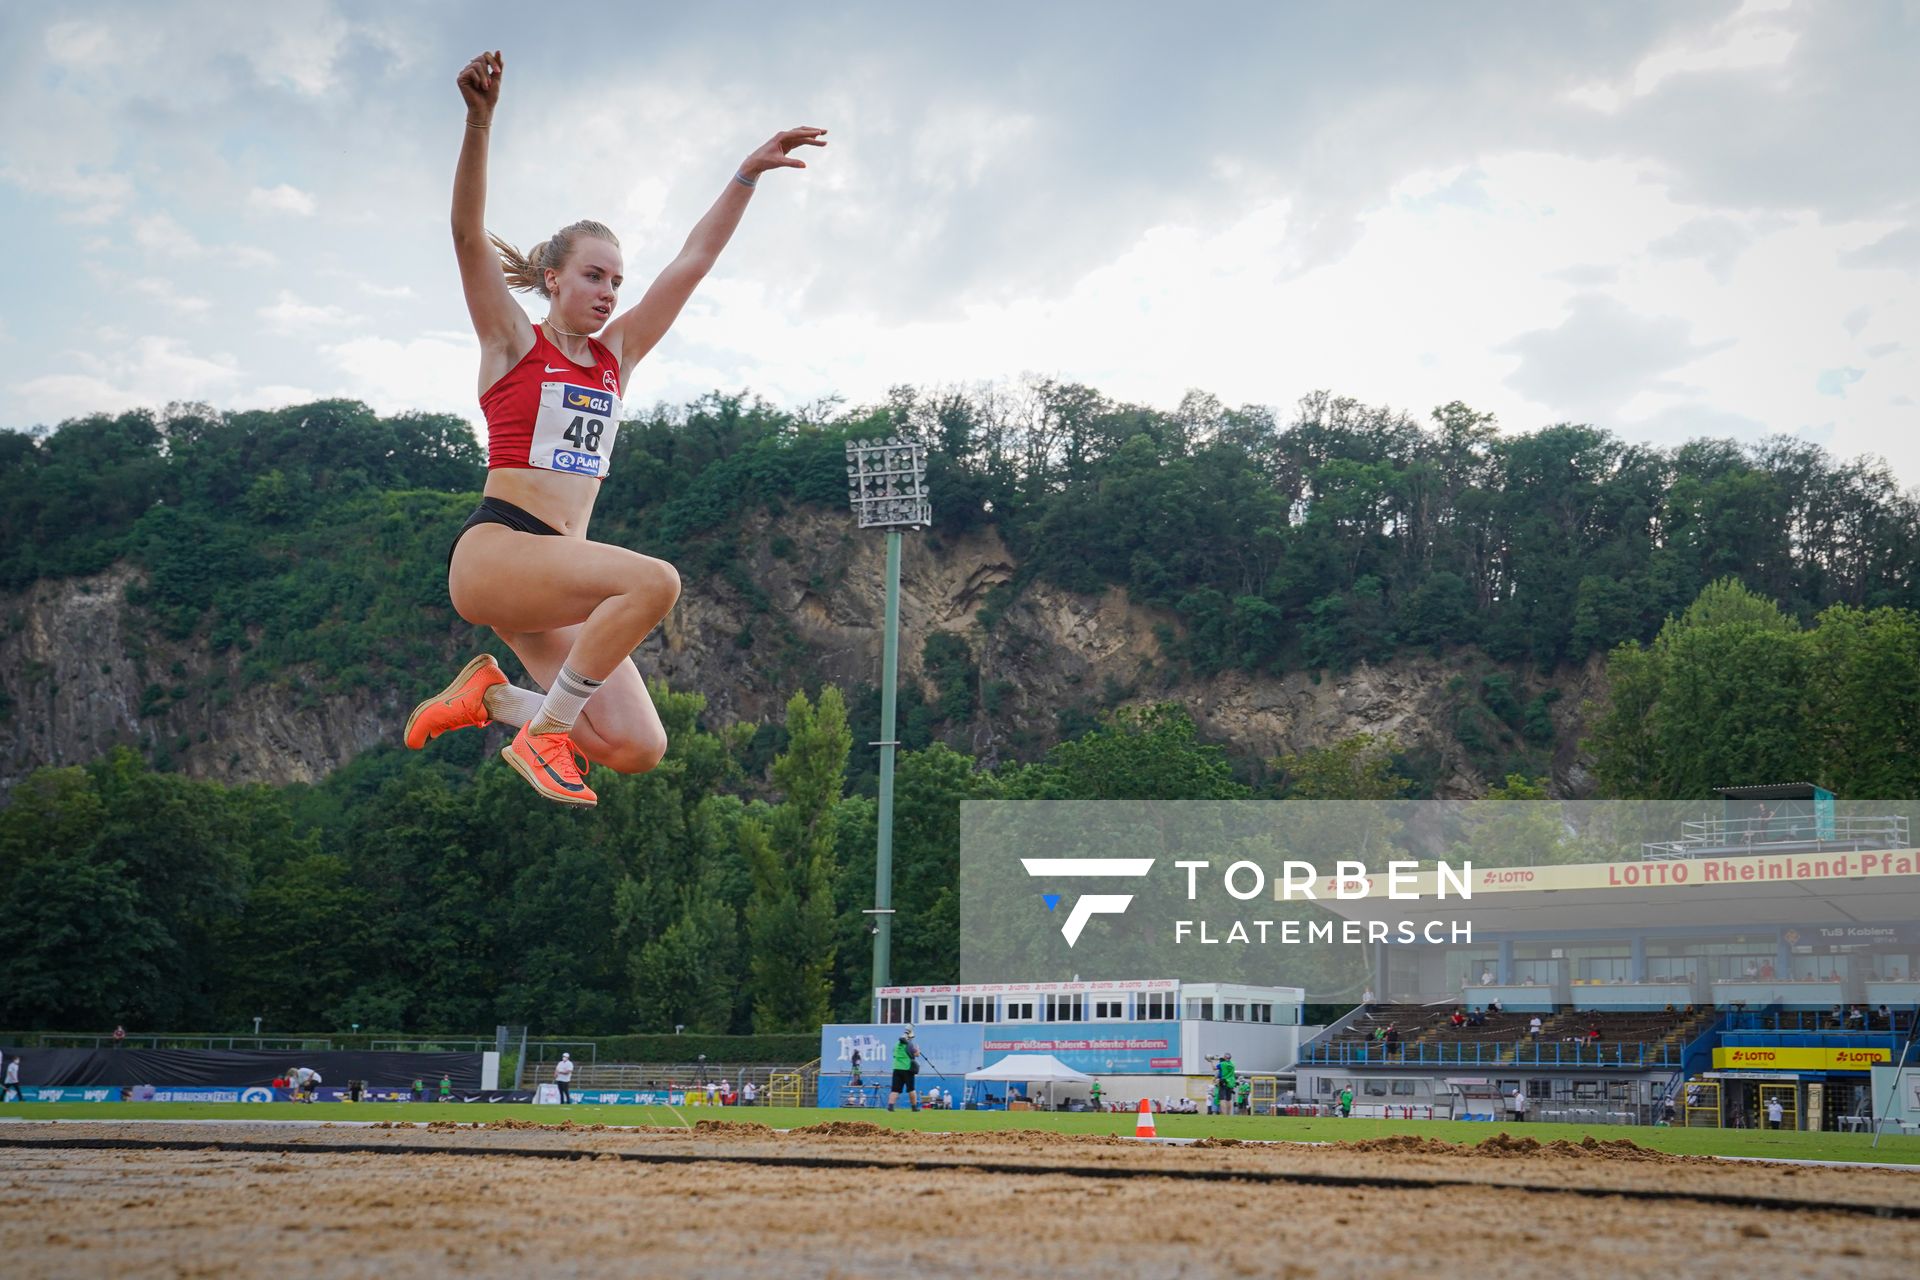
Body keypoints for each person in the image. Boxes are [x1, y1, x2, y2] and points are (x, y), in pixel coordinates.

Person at [406, 49, 827, 808]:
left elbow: (692, 263)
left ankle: (496, 702)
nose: (608, 292)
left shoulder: (616, 357)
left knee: (636, 747)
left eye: (617, 282)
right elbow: (467, 234)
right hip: (499, 552)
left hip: (555, 577)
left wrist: (747, 175)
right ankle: (546, 736)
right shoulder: (511, 342)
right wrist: (479, 120)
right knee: (655, 581)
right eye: (594, 276)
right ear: (553, 278)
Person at [887, 1026, 922, 1112]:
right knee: (911, 1089)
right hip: (907, 1068)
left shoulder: (896, 1045)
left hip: (896, 1068)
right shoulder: (909, 1044)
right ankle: (914, 1107)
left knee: (895, 1089)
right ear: (909, 1037)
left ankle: (891, 1106)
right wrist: (918, 1050)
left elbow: (894, 1055)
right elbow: (916, 1054)